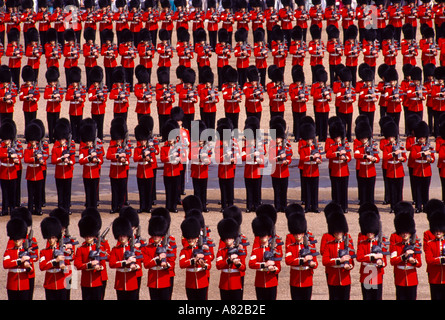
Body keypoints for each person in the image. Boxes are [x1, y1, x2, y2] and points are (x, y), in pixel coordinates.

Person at [284, 207, 318, 300]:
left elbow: (315, 263)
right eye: (296, 234)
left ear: (303, 233)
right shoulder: (291, 246)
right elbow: (288, 260)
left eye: (300, 233)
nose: (298, 236)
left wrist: (312, 264)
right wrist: (302, 260)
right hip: (295, 280)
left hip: (307, 279)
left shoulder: (309, 245)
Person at [390, 203, 422, 300]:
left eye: (407, 232)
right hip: (400, 278)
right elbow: (393, 261)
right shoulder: (396, 243)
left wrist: (414, 261)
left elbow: (419, 263)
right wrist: (403, 256)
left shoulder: (414, 241)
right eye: (403, 232)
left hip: (412, 278)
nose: (404, 234)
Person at [322, 207, 355, 300]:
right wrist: (339, 261)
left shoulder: (347, 244)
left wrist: (350, 266)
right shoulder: (329, 245)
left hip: (345, 279)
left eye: (340, 231)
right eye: (336, 232)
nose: (338, 233)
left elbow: (351, 260)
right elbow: (325, 261)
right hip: (333, 279)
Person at [74, 212, 108, 300]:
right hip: (85, 282)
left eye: (90, 235)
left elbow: (105, 260)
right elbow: (77, 264)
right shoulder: (80, 249)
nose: (88, 237)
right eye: (86, 236)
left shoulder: (100, 247)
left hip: (97, 282)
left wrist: (100, 267)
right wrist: (89, 265)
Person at [356, 206, 388, 300]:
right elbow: (359, 257)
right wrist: (372, 257)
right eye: (368, 232)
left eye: (372, 232)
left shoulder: (381, 242)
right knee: (367, 297)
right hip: (366, 272)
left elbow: (385, 260)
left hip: (377, 272)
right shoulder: (362, 243)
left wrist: (381, 262)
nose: (370, 233)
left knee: (377, 297)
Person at [143, 213, 176, 300]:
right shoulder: (147, 248)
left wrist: (166, 265)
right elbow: (146, 264)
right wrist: (157, 260)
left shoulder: (168, 248)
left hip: (164, 280)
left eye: (158, 235)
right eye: (154, 235)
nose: (156, 237)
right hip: (152, 281)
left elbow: (172, 262)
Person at [249, 214, 282, 300]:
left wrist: (274, 269)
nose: (263, 237)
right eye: (261, 236)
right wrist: (264, 264)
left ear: (268, 236)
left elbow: (278, 266)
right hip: (259, 282)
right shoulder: (256, 250)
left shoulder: (274, 249)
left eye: (265, 235)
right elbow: (251, 264)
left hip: (272, 282)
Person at [39, 216, 72, 300]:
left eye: (53, 238)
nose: (50, 240)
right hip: (49, 283)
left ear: (57, 238)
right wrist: (55, 261)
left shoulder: (63, 250)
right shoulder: (43, 252)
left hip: (62, 282)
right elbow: (42, 266)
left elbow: (69, 265)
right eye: (49, 238)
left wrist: (63, 268)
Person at [179, 216, 212, 300]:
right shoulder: (184, 251)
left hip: (202, 282)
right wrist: (193, 260)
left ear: (196, 238)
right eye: (189, 239)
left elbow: (209, 265)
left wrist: (204, 264)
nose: (190, 240)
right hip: (190, 283)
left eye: (192, 238)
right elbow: (182, 264)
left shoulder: (204, 249)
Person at [109, 216, 141, 300]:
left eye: (124, 235)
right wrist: (125, 262)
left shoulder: (135, 249)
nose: (122, 238)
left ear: (127, 236)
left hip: (132, 282)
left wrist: (136, 266)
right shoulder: (115, 249)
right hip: (120, 283)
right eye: (120, 236)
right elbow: (111, 264)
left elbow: (141, 261)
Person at [3, 218, 35, 300]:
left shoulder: (27, 252)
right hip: (12, 284)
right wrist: (19, 261)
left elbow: (31, 270)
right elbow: (6, 264)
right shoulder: (9, 251)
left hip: (24, 283)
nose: (17, 240)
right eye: (15, 239)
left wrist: (28, 267)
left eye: (19, 238)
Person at [215, 217, 247, 300]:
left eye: (230, 238)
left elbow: (243, 268)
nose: (228, 240)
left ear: (233, 238)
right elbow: (218, 265)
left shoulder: (239, 250)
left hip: (236, 283)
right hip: (224, 283)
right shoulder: (221, 251)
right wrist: (228, 261)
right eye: (226, 238)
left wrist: (238, 264)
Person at [106, 121, 132, 214]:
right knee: (115, 191)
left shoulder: (125, 146)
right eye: (117, 139)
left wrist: (124, 160)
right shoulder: (111, 146)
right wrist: (117, 156)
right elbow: (108, 156)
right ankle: (114, 207)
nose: (118, 140)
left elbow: (129, 155)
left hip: (122, 171)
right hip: (114, 172)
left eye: (119, 139)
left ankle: (121, 207)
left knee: (122, 191)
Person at [51, 119, 75, 214]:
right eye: (60, 139)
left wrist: (69, 161)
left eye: (63, 139)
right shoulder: (55, 147)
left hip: (68, 173)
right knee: (60, 193)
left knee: (67, 193)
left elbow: (73, 160)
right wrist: (61, 158)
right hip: (59, 174)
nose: (62, 141)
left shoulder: (70, 146)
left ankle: (67, 209)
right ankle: (60, 209)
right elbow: (53, 160)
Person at [423, 208, 445, 299]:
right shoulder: (429, 243)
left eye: (440, 229)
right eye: (436, 230)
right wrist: (440, 260)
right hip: (434, 277)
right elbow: (429, 259)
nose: (438, 232)